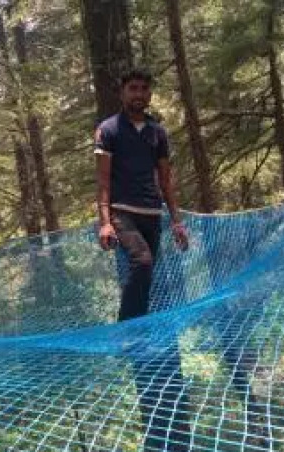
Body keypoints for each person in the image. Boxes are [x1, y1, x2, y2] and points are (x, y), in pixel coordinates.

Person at [94, 69, 190, 322]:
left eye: (144, 89)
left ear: (149, 94)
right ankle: (126, 329)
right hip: (122, 213)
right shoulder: (108, 130)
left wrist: (177, 222)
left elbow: (165, 181)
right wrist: (105, 223)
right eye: (133, 88)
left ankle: (140, 331)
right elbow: (103, 180)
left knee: (147, 275)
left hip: (152, 214)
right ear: (122, 93)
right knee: (142, 261)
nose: (139, 94)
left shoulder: (158, 132)